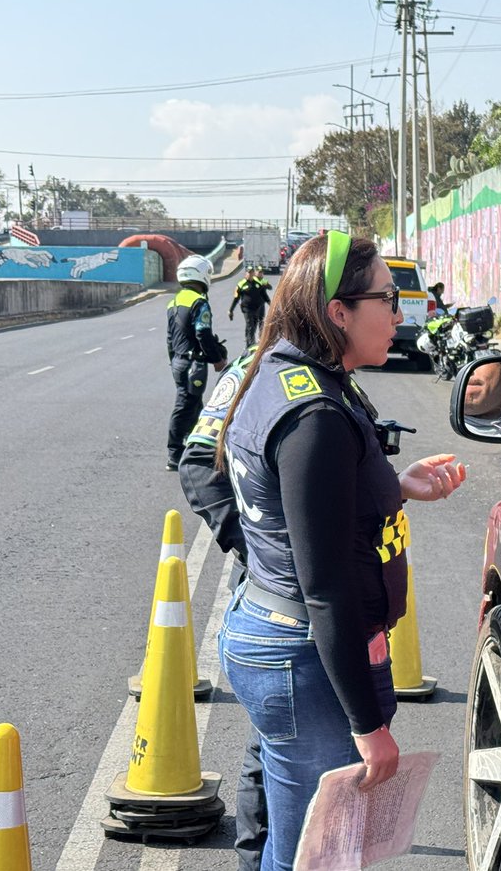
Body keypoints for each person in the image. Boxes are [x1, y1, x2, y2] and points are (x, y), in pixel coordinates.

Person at [216, 231, 467, 870]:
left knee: (300, 844)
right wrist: (368, 727)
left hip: (283, 640)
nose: (402, 314)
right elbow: (323, 584)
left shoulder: (293, 373)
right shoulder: (315, 414)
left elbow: (300, 503)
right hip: (302, 654)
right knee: (318, 856)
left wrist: (393, 487)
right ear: (338, 312)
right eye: (388, 297)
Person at [177, 346, 266, 871]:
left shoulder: (338, 369)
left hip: (340, 595)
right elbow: (197, 462)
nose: (394, 316)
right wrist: (255, 548)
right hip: (278, 595)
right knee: (275, 744)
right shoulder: (259, 362)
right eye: (382, 300)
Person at [166, 254, 227, 472]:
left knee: (194, 406)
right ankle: (174, 453)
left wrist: (173, 361)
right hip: (193, 364)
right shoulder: (198, 302)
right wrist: (218, 359)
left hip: (179, 362)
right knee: (185, 407)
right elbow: (203, 333)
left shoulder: (174, 301)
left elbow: (170, 338)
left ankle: (197, 448)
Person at [229, 265, 273, 348]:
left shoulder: (258, 284)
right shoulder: (241, 284)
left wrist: (271, 304)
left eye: (251, 273)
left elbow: (265, 295)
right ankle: (250, 345)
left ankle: (251, 339)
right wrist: (231, 310)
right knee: (250, 326)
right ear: (246, 274)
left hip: (257, 308)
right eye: (248, 273)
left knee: (255, 324)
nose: (249, 274)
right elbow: (236, 298)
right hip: (246, 308)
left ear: (253, 274)